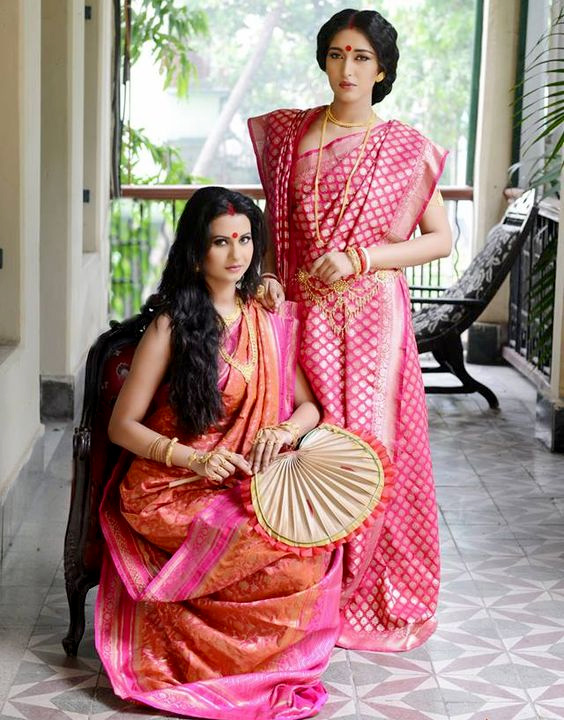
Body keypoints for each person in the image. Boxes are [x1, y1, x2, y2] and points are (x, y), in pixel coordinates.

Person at [96, 187, 343, 720]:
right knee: (258, 547)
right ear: (196, 251)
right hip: (170, 486)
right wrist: (197, 461)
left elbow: (309, 408)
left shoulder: (265, 318)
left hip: (244, 479)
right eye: (220, 242)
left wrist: (284, 431)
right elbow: (122, 427)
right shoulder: (171, 326)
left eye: (245, 239)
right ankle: (220, 671)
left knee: (306, 553)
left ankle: (258, 670)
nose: (237, 254)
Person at [248, 8, 452, 652]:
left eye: (362, 57)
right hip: (302, 311)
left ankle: (368, 590)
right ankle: (307, 585)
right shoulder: (291, 135)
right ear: (325, 61)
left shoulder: (404, 146)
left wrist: (364, 258)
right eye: (337, 54)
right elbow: (281, 231)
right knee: (302, 443)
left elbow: (439, 240)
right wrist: (275, 276)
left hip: (371, 318)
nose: (348, 68)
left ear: (382, 69)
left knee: (369, 447)